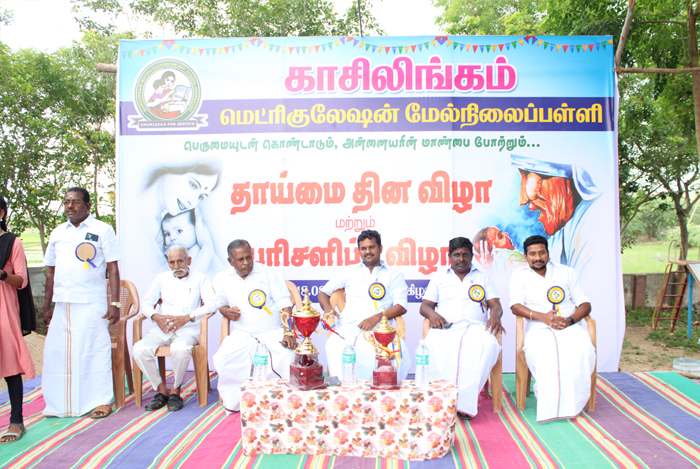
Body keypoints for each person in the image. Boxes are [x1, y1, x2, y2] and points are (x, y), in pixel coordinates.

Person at [42, 187, 121, 418]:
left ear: (88, 205)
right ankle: (60, 404)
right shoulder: (57, 232)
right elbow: (50, 272)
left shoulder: (102, 229)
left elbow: (113, 268)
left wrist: (115, 304)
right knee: (59, 354)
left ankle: (100, 401)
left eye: (75, 202)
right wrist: (47, 306)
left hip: (91, 302)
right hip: (63, 303)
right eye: (67, 202)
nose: (70, 206)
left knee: (93, 351)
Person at [508, 235, 595, 423]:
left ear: (548, 253)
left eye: (541, 253)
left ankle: (574, 404)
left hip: (569, 326)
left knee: (582, 349)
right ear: (526, 256)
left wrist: (569, 321)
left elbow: (585, 304)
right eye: (532, 254)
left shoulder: (567, 272)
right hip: (539, 328)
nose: (537, 258)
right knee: (545, 353)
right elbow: (515, 306)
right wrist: (543, 317)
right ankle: (550, 406)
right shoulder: (519, 275)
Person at [420, 237, 504, 420]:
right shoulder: (439, 278)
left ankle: (465, 405)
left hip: (477, 327)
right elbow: (425, 306)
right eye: (457, 255)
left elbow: (496, 305)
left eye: (465, 255)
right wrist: (433, 315)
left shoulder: (483, 277)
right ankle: (439, 401)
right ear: (449, 256)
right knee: (432, 344)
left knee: (488, 344)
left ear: (472, 256)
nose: (461, 259)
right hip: (446, 327)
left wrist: (495, 317)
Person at [212, 239, 297, 413]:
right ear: (230, 261)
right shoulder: (221, 279)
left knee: (287, 356)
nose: (246, 262)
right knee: (223, 358)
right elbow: (221, 305)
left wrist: (288, 332)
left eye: (248, 257)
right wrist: (227, 312)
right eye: (240, 259)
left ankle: (284, 404)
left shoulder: (268, 273)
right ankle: (238, 405)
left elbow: (284, 304)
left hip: (273, 332)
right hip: (242, 334)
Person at [318, 230, 411, 381]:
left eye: (372, 247)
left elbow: (401, 306)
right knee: (335, 345)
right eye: (363, 248)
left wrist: (375, 318)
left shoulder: (393, 275)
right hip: (348, 328)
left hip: (380, 329)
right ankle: (344, 390)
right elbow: (323, 293)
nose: (368, 252)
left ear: (380, 248)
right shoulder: (349, 271)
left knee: (394, 349)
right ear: (359, 251)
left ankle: (384, 390)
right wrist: (328, 309)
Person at [133, 245, 216, 412]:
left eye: (180, 261)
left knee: (181, 348)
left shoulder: (200, 279)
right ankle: (162, 390)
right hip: (163, 329)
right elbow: (147, 304)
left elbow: (212, 305)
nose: (176, 266)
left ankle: (176, 391)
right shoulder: (161, 278)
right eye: (172, 262)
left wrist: (188, 317)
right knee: (139, 349)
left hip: (188, 329)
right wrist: (156, 317)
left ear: (189, 260)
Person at [511, 154, 601, 272]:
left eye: (527, 176)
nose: (524, 201)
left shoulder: (593, 222)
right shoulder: (561, 234)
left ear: (560, 180)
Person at [0, 195, 36, 443]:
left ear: (1, 213)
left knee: (9, 362)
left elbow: (21, 280)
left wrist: (2, 274)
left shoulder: (12, 242)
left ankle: (16, 421)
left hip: (4, 309)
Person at [161, 209, 224, 277]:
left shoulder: (196, 249)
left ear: (196, 229)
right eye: (167, 234)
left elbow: (189, 278)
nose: (172, 238)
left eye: (179, 231)